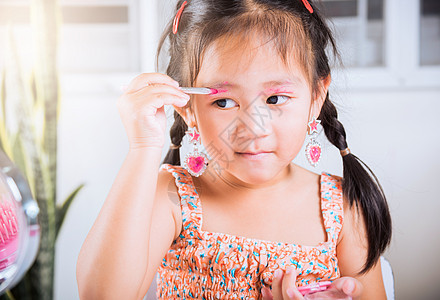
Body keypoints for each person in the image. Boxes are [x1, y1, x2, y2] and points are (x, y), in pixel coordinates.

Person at [76, 0, 392, 299]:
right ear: (188, 109)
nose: (254, 128)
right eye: (224, 102)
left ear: (315, 97)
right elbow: (101, 295)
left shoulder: (343, 209)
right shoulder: (172, 200)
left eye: (275, 99)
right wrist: (143, 146)